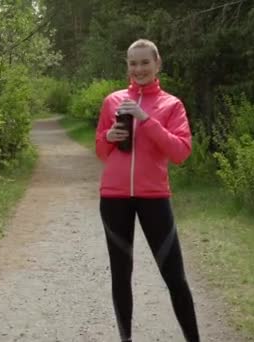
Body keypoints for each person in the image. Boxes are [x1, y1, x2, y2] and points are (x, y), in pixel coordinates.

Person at [95, 38, 200, 342]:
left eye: (144, 62)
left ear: (157, 64)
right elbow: (102, 151)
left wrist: (147, 120)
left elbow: (180, 152)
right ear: (126, 65)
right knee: (120, 275)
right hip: (113, 198)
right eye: (133, 63)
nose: (138, 68)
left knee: (175, 278)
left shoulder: (172, 104)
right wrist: (110, 136)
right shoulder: (112, 101)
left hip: (154, 198)